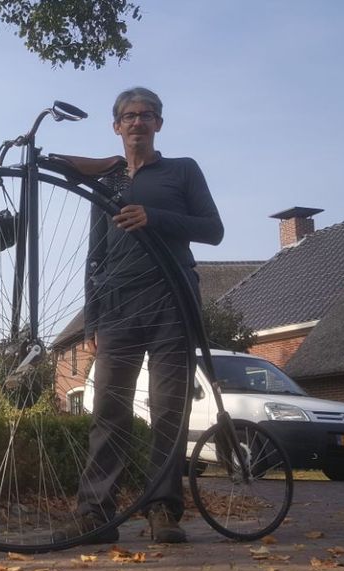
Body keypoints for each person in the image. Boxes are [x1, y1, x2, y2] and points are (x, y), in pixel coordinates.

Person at [60, 87, 224, 544]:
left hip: (172, 300)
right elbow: (95, 257)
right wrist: (91, 321)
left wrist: (154, 216)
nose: (138, 122)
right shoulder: (107, 183)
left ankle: (162, 512)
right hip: (118, 306)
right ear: (117, 127)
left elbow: (213, 230)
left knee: (169, 410)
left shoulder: (183, 171)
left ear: (158, 125)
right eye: (129, 116)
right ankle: (96, 515)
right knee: (108, 411)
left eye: (147, 115)